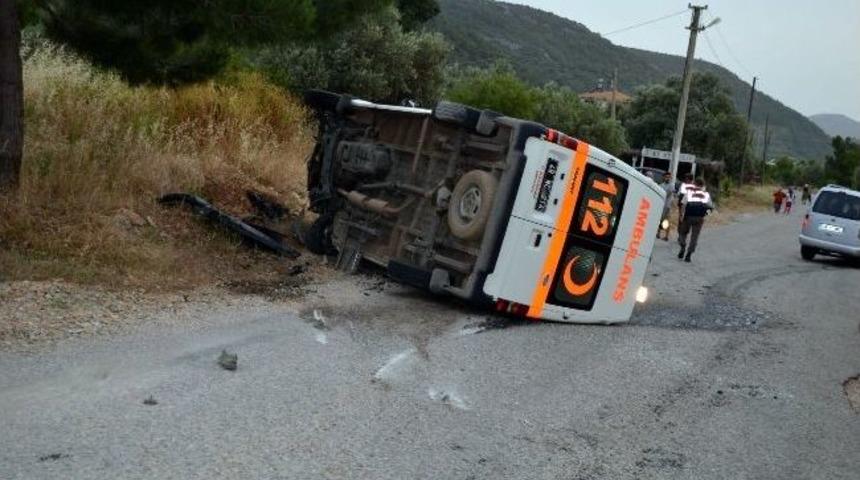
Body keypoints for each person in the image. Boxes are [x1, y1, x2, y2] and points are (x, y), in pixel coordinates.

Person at [677, 178, 714, 263]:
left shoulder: (689, 193)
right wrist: (704, 215)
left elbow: (683, 205)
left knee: (682, 233)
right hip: (699, 218)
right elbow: (711, 208)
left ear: (695, 184)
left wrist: (681, 215)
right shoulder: (706, 194)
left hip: (688, 216)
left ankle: (683, 247)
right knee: (694, 237)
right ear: (702, 185)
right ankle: (689, 254)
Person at [657, 172, 674, 240]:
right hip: (661, 205)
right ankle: (658, 233)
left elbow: (668, 194)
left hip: (667, 206)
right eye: (666, 177)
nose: (668, 178)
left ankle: (666, 236)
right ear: (663, 177)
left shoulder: (671, 185)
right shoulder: (661, 185)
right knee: (659, 219)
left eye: (669, 177)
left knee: (666, 221)